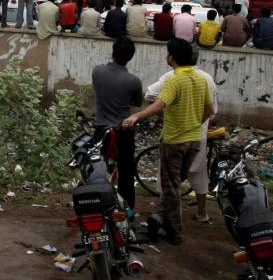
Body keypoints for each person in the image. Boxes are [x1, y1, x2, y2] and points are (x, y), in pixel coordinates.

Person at [123, 39, 213, 245]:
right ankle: (158, 218)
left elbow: (158, 104)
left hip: (175, 141)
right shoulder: (200, 79)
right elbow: (209, 109)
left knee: (171, 187)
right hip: (194, 141)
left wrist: (136, 117)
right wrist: (193, 123)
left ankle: (175, 232)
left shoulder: (174, 80)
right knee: (174, 184)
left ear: (172, 57)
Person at [144, 51, 218, 224]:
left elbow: (150, 95)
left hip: (176, 135)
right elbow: (212, 110)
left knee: (169, 177)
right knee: (199, 174)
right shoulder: (206, 78)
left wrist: (162, 114)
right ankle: (201, 213)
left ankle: (169, 216)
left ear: (174, 58)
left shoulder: (172, 77)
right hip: (198, 134)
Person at [91, 37, 143, 210]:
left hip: (101, 130)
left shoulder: (97, 71)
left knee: (98, 170)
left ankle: (97, 205)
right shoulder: (133, 81)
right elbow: (137, 103)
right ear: (130, 57)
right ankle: (127, 210)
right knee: (126, 173)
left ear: (112, 52)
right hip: (124, 131)